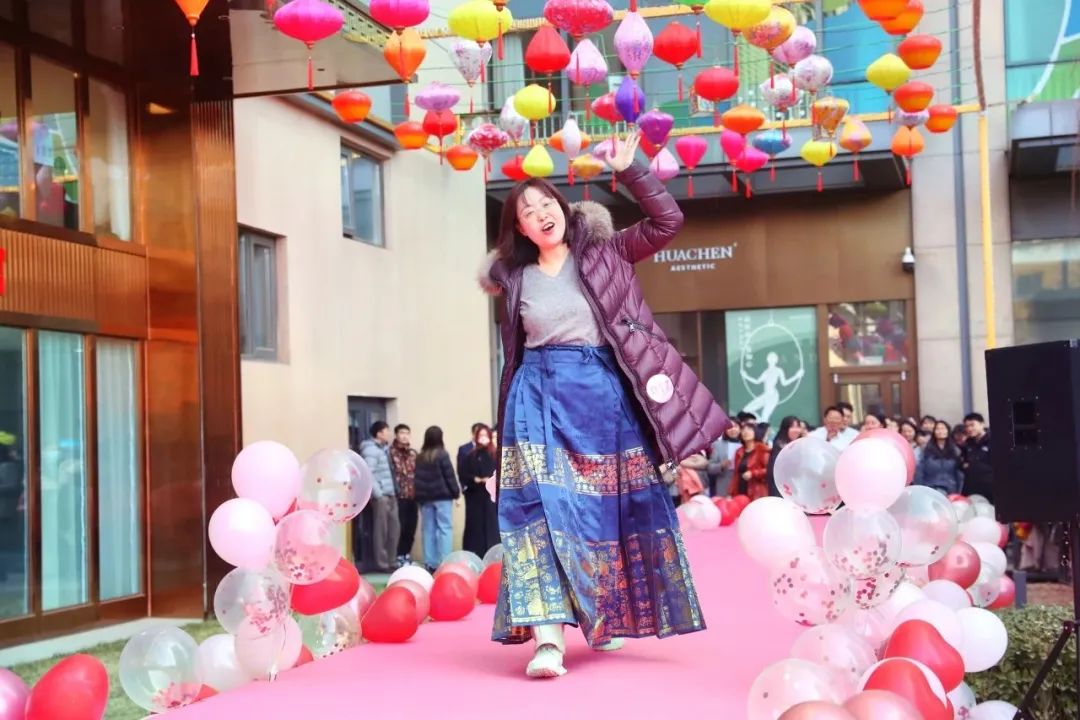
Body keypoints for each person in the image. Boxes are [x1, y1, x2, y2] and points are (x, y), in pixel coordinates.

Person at [478, 134, 728, 679]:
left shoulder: (606, 252)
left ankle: (603, 615)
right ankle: (548, 642)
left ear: (564, 209)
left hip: (599, 395)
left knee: (604, 513)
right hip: (535, 395)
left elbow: (667, 222)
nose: (541, 214)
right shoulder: (515, 279)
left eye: (546, 203)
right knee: (535, 513)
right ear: (520, 229)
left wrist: (631, 168)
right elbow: (514, 351)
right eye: (527, 212)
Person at [413, 426, 461, 571]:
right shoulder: (442, 455)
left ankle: (430, 563)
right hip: (443, 498)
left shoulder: (420, 457)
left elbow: (417, 480)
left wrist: (418, 497)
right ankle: (445, 562)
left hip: (426, 499)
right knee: (445, 528)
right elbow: (450, 476)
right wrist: (456, 493)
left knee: (428, 530)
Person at [360, 421, 400, 573]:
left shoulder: (385, 449)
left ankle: (391, 560)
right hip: (381, 496)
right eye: (386, 431)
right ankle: (382, 564)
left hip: (391, 493)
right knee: (381, 530)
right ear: (379, 433)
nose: (389, 434)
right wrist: (378, 494)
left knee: (394, 529)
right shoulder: (370, 450)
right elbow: (368, 473)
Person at [461, 424, 500, 558]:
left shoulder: (496, 455)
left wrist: (490, 480)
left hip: (490, 498)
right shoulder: (470, 456)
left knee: (491, 526)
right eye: (480, 435)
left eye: (485, 435)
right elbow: (464, 475)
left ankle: (493, 555)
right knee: (475, 527)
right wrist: (475, 479)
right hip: (475, 497)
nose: (483, 438)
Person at [389, 424, 418, 568]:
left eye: (407, 433)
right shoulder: (390, 453)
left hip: (413, 495)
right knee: (401, 527)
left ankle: (406, 554)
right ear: (396, 435)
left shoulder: (413, 453)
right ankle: (398, 555)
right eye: (402, 433)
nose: (405, 436)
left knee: (411, 527)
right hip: (399, 496)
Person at [913, 420, 963, 495]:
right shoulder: (926, 450)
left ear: (948, 431)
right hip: (930, 488)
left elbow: (958, 473)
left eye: (943, 428)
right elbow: (919, 471)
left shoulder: (955, 450)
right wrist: (920, 489)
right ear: (934, 432)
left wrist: (958, 491)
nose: (940, 431)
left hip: (950, 489)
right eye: (937, 429)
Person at [730, 421, 770, 500]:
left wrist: (753, 473)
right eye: (743, 429)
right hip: (740, 491)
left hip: (757, 492)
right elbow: (735, 474)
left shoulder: (762, 449)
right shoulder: (739, 451)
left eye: (749, 429)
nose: (746, 432)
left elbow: (769, 470)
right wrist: (730, 493)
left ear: (755, 432)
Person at [766, 416, 802, 497]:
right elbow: (776, 470)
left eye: (798, 427)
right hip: (782, 488)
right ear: (785, 429)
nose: (796, 430)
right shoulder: (779, 446)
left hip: (798, 486)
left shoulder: (801, 444)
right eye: (792, 427)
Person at [961, 412, 993, 501]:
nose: (969, 429)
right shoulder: (968, 443)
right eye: (967, 426)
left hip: (990, 487)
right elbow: (963, 460)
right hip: (972, 487)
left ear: (982, 424)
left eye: (972, 425)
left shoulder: (993, 440)